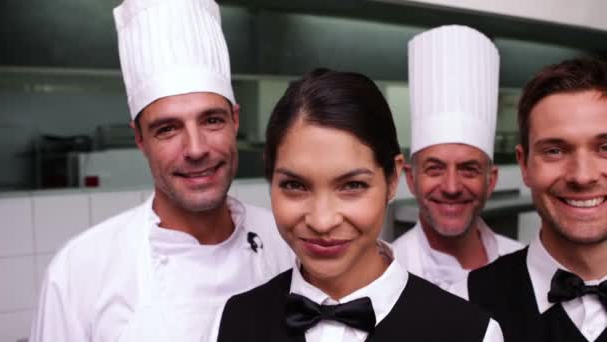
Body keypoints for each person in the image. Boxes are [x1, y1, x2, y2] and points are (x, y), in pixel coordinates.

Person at [30, 0, 292, 341]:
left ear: (235, 121)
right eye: (167, 128)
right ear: (140, 139)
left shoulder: (288, 243)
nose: (196, 149)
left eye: (211, 120)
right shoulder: (80, 272)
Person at [215, 68, 504, 341]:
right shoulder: (234, 320)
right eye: (295, 185)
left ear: (392, 179)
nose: (322, 221)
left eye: (352, 186)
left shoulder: (471, 333)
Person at [454, 57, 607, 341]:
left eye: (604, 147)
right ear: (524, 165)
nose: (582, 176)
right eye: (554, 151)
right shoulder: (461, 303)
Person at [391, 25, 522, 290]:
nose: (451, 187)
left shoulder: (522, 265)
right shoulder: (385, 273)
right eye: (435, 168)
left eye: (469, 169)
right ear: (411, 178)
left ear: (491, 180)